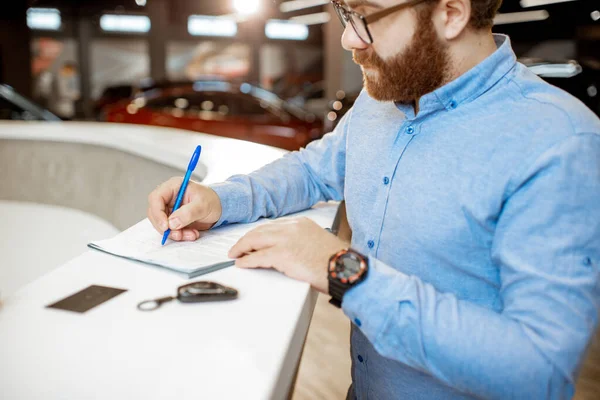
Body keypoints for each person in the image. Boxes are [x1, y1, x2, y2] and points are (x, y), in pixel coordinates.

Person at [147, 0, 600, 398]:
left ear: (451, 12)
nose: (348, 38)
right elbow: (312, 169)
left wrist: (342, 271)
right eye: (345, 12)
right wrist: (220, 200)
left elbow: (538, 372)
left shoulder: (560, 141)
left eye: (363, 15)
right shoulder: (380, 97)